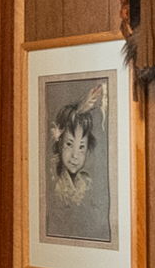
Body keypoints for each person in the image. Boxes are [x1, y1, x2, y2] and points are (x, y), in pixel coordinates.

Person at [47, 84, 110, 242]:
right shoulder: (53, 178)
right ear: (59, 143)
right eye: (69, 144)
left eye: (81, 147)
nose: (75, 155)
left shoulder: (85, 181)